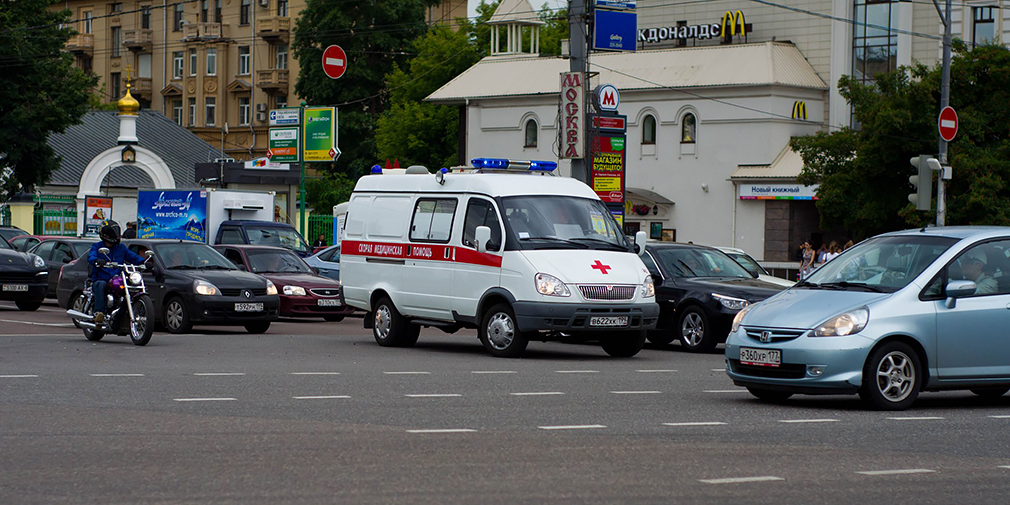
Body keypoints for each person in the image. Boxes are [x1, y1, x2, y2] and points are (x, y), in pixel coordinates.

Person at [87, 220, 146, 324]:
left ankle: (124, 312)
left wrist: (145, 262)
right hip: (102, 278)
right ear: (106, 234)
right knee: (101, 285)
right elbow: (91, 256)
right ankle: (99, 313)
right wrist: (96, 260)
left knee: (131, 285)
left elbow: (133, 257)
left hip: (117, 278)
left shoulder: (121, 248)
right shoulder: (97, 247)